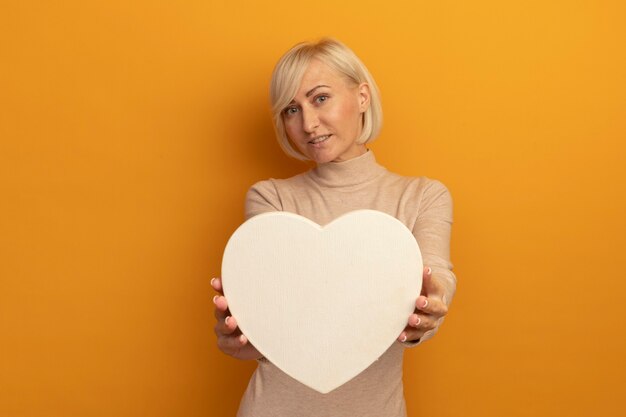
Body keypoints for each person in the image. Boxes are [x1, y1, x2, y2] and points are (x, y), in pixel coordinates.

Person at [211, 38, 456, 417]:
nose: (307, 124)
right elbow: (277, 320)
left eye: (320, 98)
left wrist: (428, 312)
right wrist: (245, 339)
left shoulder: (422, 197)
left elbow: (437, 279)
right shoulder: (271, 200)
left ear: (362, 97)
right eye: (291, 109)